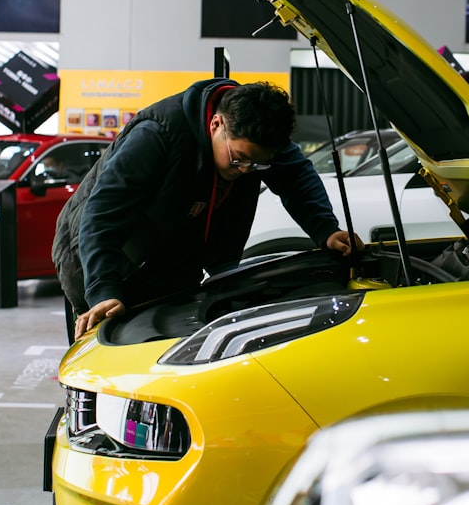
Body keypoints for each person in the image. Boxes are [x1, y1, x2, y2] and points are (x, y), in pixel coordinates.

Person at [52, 77, 363, 343]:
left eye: (257, 165)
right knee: (107, 362)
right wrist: (103, 289)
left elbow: (296, 177)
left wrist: (325, 230)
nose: (246, 171)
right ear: (216, 124)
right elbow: (102, 215)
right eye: (240, 159)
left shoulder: (259, 134)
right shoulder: (157, 136)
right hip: (95, 262)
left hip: (169, 266)